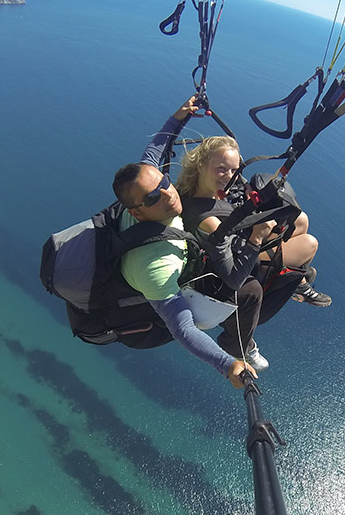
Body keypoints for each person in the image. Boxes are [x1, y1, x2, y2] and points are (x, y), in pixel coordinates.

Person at [106, 97, 269, 388]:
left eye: (164, 183)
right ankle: (237, 342)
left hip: (186, 255)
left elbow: (155, 150)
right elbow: (182, 328)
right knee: (254, 285)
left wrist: (179, 117)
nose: (168, 194)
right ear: (136, 212)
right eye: (155, 197)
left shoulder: (147, 184)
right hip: (185, 302)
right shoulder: (155, 265)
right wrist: (226, 363)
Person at [176, 134, 332, 306]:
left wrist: (247, 189)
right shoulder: (209, 220)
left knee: (300, 220)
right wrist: (256, 237)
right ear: (201, 164)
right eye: (221, 168)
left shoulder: (201, 187)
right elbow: (233, 279)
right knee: (309, 244)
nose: (229, 176)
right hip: (242, 256)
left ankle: (297, 279)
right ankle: (273, 278)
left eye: (234, 170)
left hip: (238, 236)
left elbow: (237, 184)